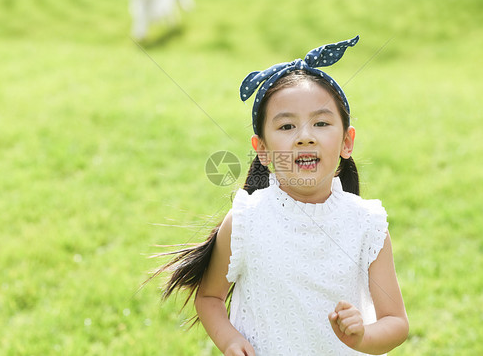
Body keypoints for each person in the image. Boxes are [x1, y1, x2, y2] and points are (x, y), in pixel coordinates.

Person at [152, 36, 409, 355]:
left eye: (321, 123)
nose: (304, 137)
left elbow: (396, 321)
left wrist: (362, 337)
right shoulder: (247, 220)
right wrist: (231, 340)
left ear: (347, 141)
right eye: (287, 127)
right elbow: (209, 298)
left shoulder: (367, 225)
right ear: (262, 149)